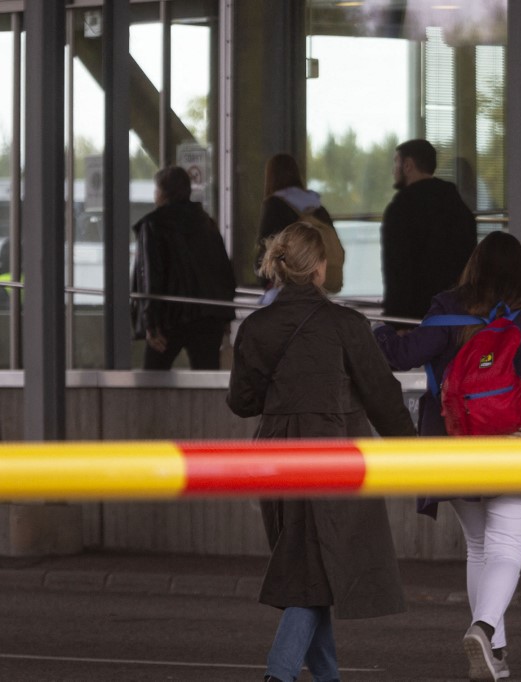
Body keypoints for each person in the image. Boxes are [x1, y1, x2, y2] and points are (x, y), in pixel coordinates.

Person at [374, 231, 521, 682]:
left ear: (474, 267)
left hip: (453, 445)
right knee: (506, 547)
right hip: (513, 440)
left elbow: (404, 355)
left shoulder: (447, 309)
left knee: (479, 546)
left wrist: (379, 332)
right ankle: (485, 631)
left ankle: (495, 652)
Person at [226, 221, 416, 682]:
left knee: (309, 567)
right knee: (314, 571)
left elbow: (242, 402)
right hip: (334, 454)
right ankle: (281, 671)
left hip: (274, 454)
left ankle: (327, 676)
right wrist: (414, 453)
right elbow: (382, 396)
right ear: (320, 268)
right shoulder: (347, 325)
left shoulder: (256, 327)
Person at [131, 166, 236, 370]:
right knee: (206, 378)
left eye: (156, 189)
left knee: (152, 376)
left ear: (162, 193)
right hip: (208, 316)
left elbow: (151, 276)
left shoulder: (154, 225)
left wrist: (150, 323)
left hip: (169, 316)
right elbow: (223, 270)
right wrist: (224, 314)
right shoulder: (205, 222)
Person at [380, 139, 477, 323]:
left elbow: (398, 268)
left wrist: (397, 320)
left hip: (417, 316)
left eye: (396, 162)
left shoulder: (401, 208)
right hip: (457, 312)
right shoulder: (457, 204)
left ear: (408, 165)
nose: (393, 170)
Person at [256, 153, 336, 302]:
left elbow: (263, 249)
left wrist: (264, 279)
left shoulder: (274, 206)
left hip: (282, 292)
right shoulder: (318, 207)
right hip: (317, 292)